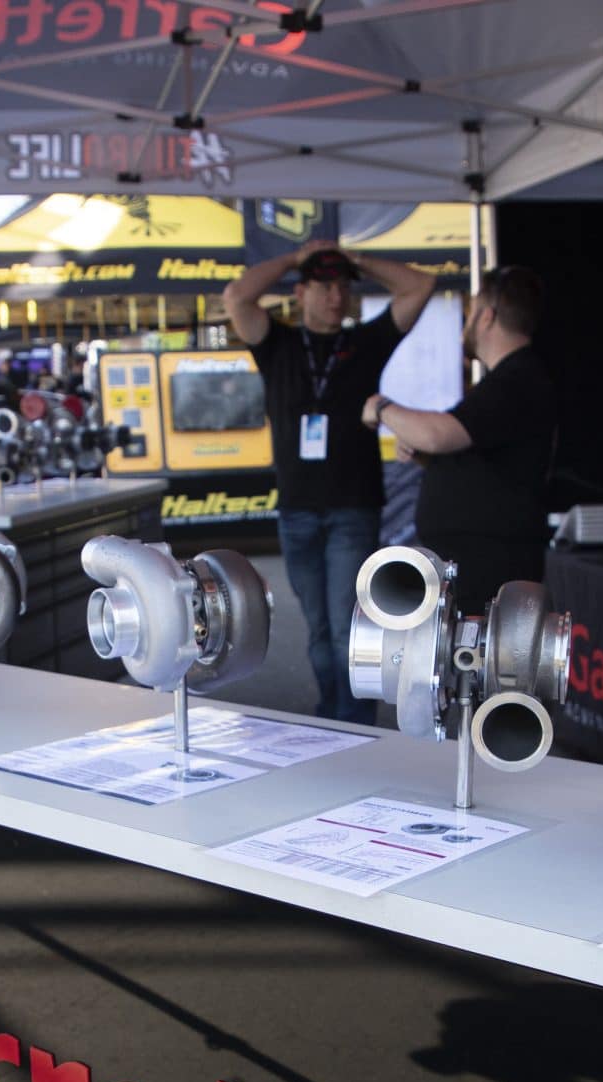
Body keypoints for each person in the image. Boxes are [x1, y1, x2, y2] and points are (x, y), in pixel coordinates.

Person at [224, 240, 435, 724]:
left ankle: (354, 725)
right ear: (300, 292)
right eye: (324, 286)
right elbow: (237, 297)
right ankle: (330, 719)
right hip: (297, 508)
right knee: (318, 631)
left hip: (352, 507)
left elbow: (421, 285)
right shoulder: (277, 343)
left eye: (343, 286)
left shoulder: (366, 342)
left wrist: (358, 260)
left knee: (346, 629)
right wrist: (291, 259)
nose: (336, 296)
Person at [363, 266, 556, 616]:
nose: (466, 324)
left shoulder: (516, 379)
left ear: (487, 316)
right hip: (479, 559)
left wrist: (381, 406)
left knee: (483, 650)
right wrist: (428, 457)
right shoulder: (507, 380)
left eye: (471, 312)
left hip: (492, 564)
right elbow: (479, 452)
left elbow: (439, 434)